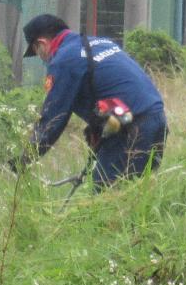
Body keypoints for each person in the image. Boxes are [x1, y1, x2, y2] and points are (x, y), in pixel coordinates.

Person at [15, 14, 168, 187]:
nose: (41, 58)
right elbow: (115, 89)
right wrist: (99, 127)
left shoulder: (64, 60)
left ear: (41, 44)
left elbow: (53, 119)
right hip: (156, 119)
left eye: (36, 52)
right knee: (137, 193)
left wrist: (24, 160)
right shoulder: (100, 43)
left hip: (133, 127)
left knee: (106, 191)